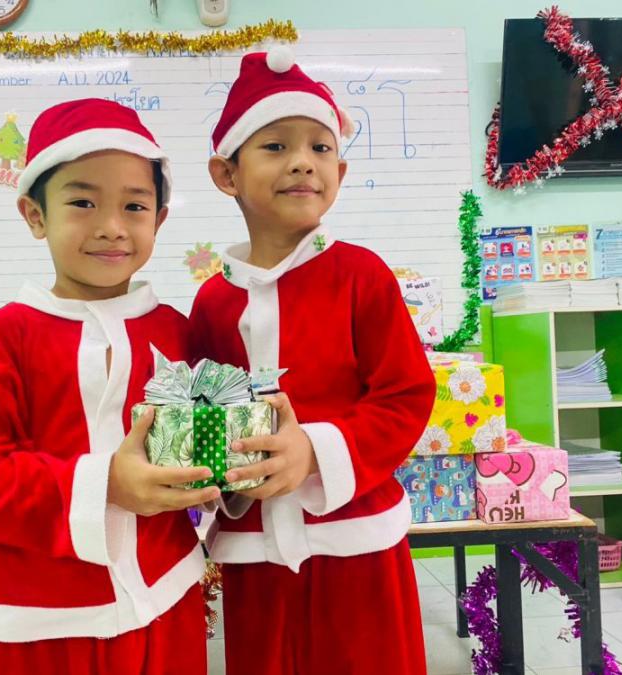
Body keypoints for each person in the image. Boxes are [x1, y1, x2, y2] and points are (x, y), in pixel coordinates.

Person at [0, 98, 218, 675]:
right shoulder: (5, 337)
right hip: (47, 619)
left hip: (169, 596)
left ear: (159, 219)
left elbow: (201, 435)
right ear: (35, 214)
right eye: (83, 202)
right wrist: (106, 484)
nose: (111, 226)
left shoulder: (175, 330)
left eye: (134, 205)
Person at [190, 48, 437, 674]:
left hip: (357, 540)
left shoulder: (362, 276)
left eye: (320, 148)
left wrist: (316, 452)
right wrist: (226, 477)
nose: (303, 161)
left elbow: (405, 395)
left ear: (340, 171)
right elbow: (202, 414)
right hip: (254, 550)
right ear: (227, 174)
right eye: (275, 146)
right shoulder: (213, 301)